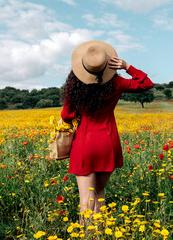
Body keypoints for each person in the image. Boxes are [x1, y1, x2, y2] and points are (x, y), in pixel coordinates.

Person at [60, 40, 153, 224]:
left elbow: (66, 116)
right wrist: (127, 66)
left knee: (86, 200)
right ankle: (100, 233)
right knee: (99, 193)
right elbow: (146, 84)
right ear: (108, 65)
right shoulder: (116, 83)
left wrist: (79, 111)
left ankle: (87, 236)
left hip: (84, 145)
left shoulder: (74, 85)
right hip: (108, 143)